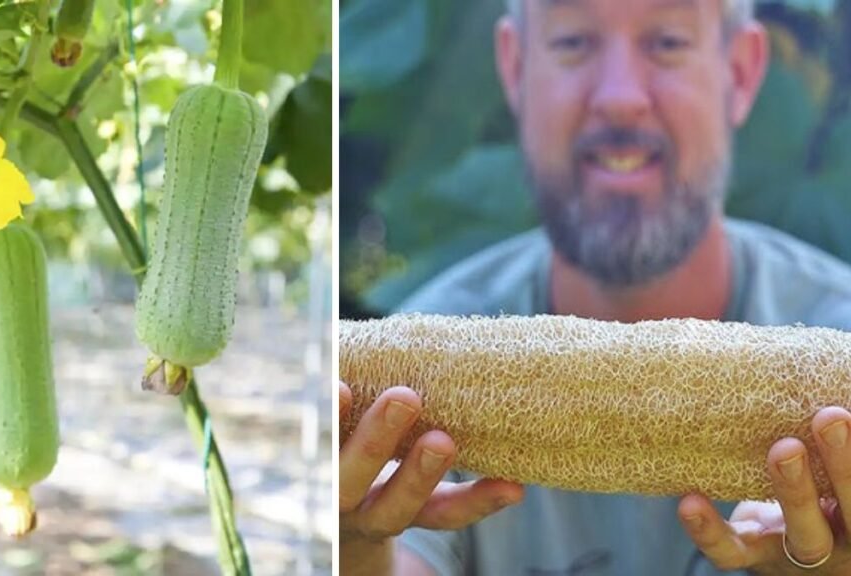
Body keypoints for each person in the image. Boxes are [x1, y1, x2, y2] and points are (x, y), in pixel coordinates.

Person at [338, 0, 851, 574]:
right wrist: (354, 546)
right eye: (573, 42)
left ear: (741, 71)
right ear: (515, 69)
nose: (620, 96)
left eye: (668, 42)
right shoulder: (407, 385)